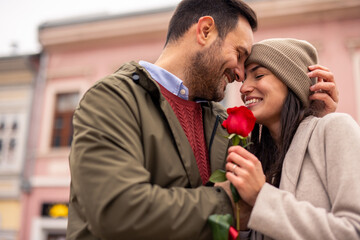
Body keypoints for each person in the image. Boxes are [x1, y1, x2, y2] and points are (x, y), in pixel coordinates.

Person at [66, 0, 338, 238]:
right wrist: (228, 204)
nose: (241, 75)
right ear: (205, 31)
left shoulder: (224, 122)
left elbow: (276, 184)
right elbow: (117, 211)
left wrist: (311, 119)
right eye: (240, 55)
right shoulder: (114, 98)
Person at [226, 38, 360, 240]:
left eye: (259, 75)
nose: (243, 89)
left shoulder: (336, 127)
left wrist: (261, 196)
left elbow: (354, 231)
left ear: (291, 81)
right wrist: (243, 218)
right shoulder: (261, 159)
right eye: (244, 80)